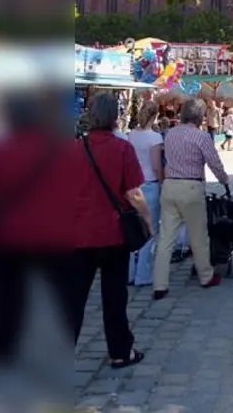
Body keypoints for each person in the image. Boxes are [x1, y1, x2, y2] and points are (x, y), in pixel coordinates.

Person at [0, 90, 78, 367]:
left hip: (9, 234)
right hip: (59, 234)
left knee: (6, 296)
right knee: (69, 295)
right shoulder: (66, 149)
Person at [72, 93, 155, 369]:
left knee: (73, 299)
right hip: (113, 233)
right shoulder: (121, 148)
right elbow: (133, 193)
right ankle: (120, 351)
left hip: (78, 233)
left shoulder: (73, 148)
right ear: (114, 116)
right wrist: (147, 219)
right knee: (114, 297)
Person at [152, 99, 229, 299]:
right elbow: (214, 162)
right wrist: (224, 180)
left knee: (166, 238)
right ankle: (206, 276)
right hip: (191, 187)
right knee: (199, 236)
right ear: (199, 116)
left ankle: (160, 284)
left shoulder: (170, 134)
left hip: (170, 186)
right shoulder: (201, 137)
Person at [126, 104, 165, 287]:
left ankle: (129, 273)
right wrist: (162, 182)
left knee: (132, 228)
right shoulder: (155, 137)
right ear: (155, 116)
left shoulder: (132, 135)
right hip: (150, 183)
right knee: (149, 229)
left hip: (133, 185)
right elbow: (156, 165)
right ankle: (143, 273)